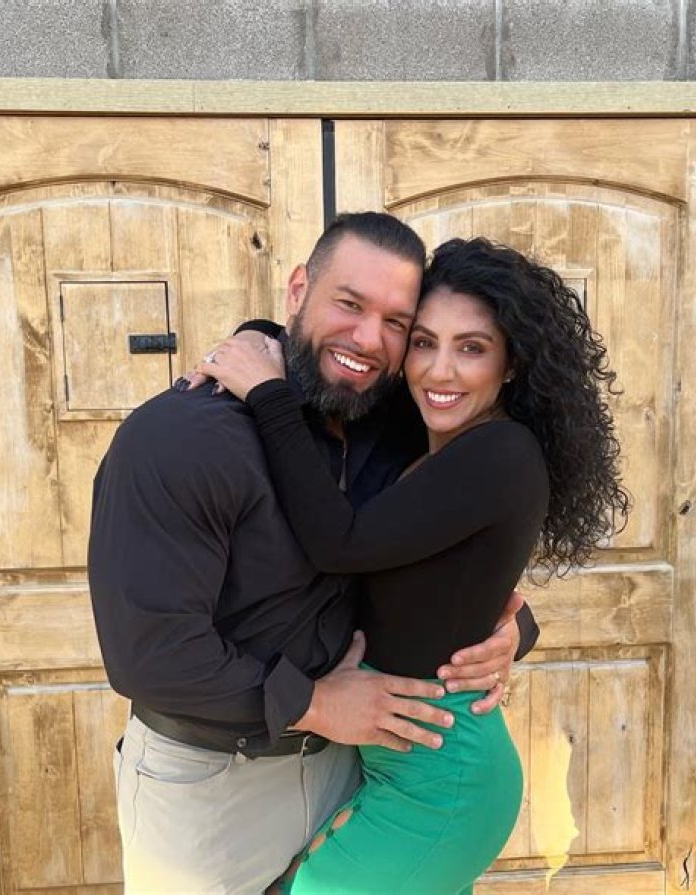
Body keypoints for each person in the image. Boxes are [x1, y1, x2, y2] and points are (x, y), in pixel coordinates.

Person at [88, 214, 540, 895]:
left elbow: (449, 567)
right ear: (298, 289)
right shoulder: (181, 437)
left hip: (357, 767)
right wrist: (317, 705)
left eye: (396, 323)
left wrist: (511, 631)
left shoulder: (395, 426)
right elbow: (151, 654)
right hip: (212, 790)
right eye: (349, 304)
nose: (369, 339)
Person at [196, 236, 630, 894]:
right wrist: (257, 337)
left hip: (441, 782)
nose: (439, 371)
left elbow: (339, 544)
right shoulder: (431, 435)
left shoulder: (502, 453)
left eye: (472, 348)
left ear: (512, 361)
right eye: (424, 342)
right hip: (399, 765)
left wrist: (266, 393)